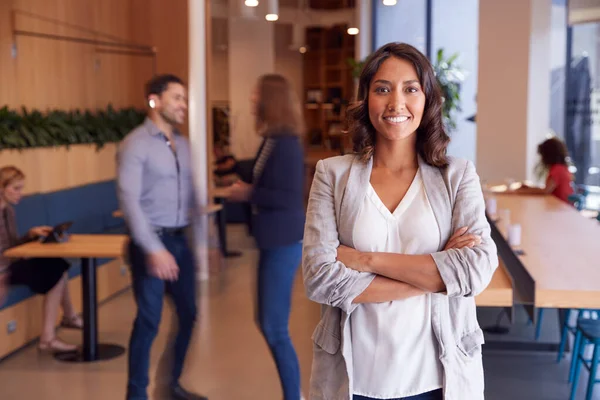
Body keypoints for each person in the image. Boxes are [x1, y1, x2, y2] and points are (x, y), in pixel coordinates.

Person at [302, 43, 499, 400]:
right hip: (354, 376)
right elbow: (319, 279)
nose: (396, 103)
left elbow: (476, 270)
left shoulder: (456, 176)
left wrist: (364, 260)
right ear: (366, 99)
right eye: (382, 89)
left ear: (427, 100)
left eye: (410, 89)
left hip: (437, 376)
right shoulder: (333, 175)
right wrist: (439, 275)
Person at [117, 74, 207, 400]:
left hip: (180, 242)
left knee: (189, 315)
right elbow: (129, 201)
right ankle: (136, 394)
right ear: (154, 101)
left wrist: (204, 242)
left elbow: (192, 196)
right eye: (177, 98)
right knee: (149, 320)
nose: (184, 105)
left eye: (184, 98)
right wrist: (154, 250)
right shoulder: (135, 143)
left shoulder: (182, 144)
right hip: (149, 244)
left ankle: (170, 385)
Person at [227, 74, 306, 400]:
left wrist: (249, 193)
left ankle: (294, 395)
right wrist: (236, 169)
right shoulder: (273, 139)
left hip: (283, 242)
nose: (251, 99)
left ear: (270, 100)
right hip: (272, 240)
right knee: (267, 321)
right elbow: (263, 173)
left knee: (274, 326)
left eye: (257, 93)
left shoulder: (286, 143)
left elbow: (287, 196)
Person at [0, 166, 82, 353]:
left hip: (10, 263)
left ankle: (54, 331)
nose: (20, 193)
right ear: (1, 188)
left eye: (21, 188)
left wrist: (30, 234)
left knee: (57, 264)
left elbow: (11, 244)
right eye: (16, 188)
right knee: (56, 268)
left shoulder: (9, 212)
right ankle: (52, 334)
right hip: (4, 269)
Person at [515, 137, 574, 203]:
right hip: (560, 206)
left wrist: (520, 192)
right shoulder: (562, 168)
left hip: (560, 207)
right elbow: (548, 189)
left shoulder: (557, 169)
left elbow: (545, 191)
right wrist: (530, 188)